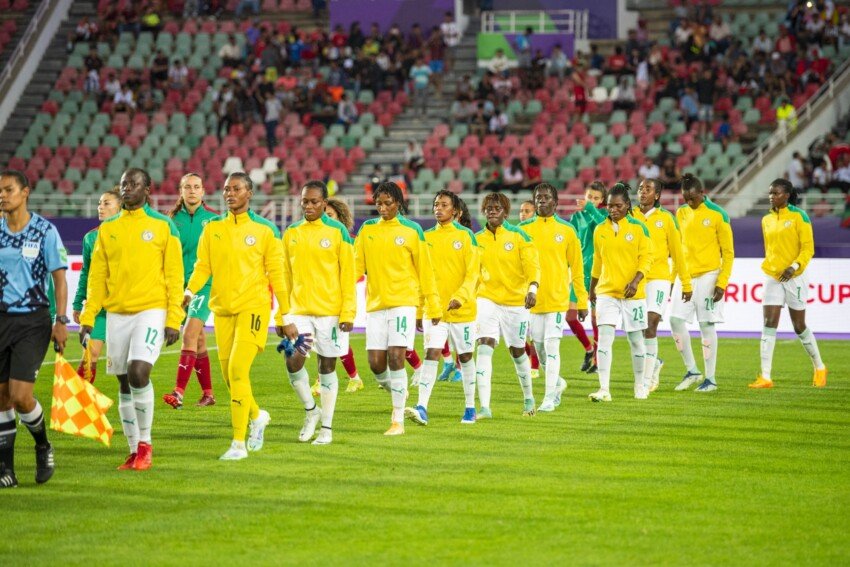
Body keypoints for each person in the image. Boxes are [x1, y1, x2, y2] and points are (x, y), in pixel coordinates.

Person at [79, 168, 184, 471]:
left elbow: (175, 276)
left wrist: (174, 317)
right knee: (124, 381)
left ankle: (146, 444)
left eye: (134, 184)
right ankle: (132, 449)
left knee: (138, 371)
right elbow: (97, 278)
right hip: (117, 314)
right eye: (124, 184)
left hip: (151, 310)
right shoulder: (109, 229)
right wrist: (88, 317)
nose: (127, 189)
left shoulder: (164, 226)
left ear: (148, 189)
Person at [185, 172, 291, 460]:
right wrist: (188, 292)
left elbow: (277, 274)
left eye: (236, 188)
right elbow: (203, 267)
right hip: (222, 311)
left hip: (253, 308)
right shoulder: (212, 229)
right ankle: (257, 415)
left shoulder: (266, 230)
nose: (230, 193)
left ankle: (238, 443)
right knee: (230, 378)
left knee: (238, 370)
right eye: (226, 189)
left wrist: (285, 313)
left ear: (250, 193)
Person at [354, 182, 441, 435]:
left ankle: (397, 421)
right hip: (376, 306)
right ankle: (400, 397)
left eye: (388, 203)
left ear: (399, 203)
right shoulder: (367, 230)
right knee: (375, 364)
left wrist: (432, 306)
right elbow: (354, 267)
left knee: (396, 357)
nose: (382, 208)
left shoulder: (412, 230)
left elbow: (426, 271)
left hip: (403, 303)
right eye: (378, 203)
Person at [0, 170, 68, 488]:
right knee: (1, 397)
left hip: (32, 321)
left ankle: (42, 445)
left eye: (8, 189)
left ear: (25, 192)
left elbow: (59, 277)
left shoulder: (44, 231)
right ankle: (6, 469)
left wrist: (61, 320)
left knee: (20, 395)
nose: (2, 195)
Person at [281, 181, 356, 445]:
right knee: (293, 361)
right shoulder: (291, 232)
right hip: (299, 311)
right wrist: (283, 314)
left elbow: (348, 275)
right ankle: (311, 411)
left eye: (314, 201)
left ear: (325, 203)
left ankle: (327, 428)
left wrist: (348, 312)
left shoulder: (338, 232)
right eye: (305, 201)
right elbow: (284, 277)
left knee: (326, 367)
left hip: (330, 313)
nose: (309, 206)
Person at [405, 191, 480, 426]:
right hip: (435, 310)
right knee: (432, 353)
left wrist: (461, 297)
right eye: (436, 204)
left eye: (444, 205)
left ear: (455, 210)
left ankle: (470, 408)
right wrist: (419, 309)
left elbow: (473, 274)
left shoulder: (467, 236)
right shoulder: (425, 238)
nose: (438, 208)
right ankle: (422, 407)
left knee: (466, 357)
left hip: (463, 310)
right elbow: (421, 277)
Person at [752, 179, 827, 389]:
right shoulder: (766, 219)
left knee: (799, 326)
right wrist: (773, 267)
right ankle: (765, 377)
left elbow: (808, 248)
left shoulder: (799, 216)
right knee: (768, 323)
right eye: (770, 193)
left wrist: (794, 266)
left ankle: (819, 367)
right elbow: (769, 249)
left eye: (775, 193)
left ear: (786, 195)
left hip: (795, 277)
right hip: (773, 276)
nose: (771, 197)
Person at [519, 183, 587, 412]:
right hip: (534, 302)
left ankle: (549, 398)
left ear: (556, 202)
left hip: (558, 299)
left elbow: (577, 270)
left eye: (547, 197)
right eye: (538, 197)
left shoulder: (567, 231)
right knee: (539, 347)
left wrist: (582, 301)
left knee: (552, 345)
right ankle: (557, 383)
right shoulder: (523, 229)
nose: (542, 201)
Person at [475, 193, 540, 418]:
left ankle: (528, 397)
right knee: (484, 345)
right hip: (487, 299)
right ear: (484, 211)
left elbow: (533, 267)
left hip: (516, 302)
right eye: (488, 208)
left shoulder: (519, 235)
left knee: (517, 350)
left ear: (505, 212)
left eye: (497, 208)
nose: (492, 211)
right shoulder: (476, 239)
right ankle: (484, 407)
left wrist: (532, 289)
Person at [670, 174, 734, 393]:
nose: (689, 202)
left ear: (701, 192)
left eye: (692, 198)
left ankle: (711, 378)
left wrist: (722, 282)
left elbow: (728, 252)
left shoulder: (718, 214)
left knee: (706, 325)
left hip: (709, 275)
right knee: (675, 321)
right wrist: (672, 278)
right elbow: (678, 250)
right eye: (685, 198)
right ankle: (692, 370)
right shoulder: (681, 213)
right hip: (685, 276)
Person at [587, 183, 651, 402]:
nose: (613, 210)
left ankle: (640, 384)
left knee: (636, 341)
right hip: (607, 292)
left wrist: (635, 281)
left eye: (618, 206)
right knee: (604, 339)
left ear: (627, 205)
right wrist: (592, 287)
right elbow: (597, 260)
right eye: (610, 206)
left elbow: (646, 258)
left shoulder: (638, 228)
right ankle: (604, 389)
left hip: (634, 294)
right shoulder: (600, 230)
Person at [162, 174, 220, 410]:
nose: (192, 191)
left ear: (203, 191)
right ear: (181, 191)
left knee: (189, 334)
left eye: (197, 187)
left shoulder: (215, 220)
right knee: (199, 340)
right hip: (178, 286)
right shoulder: (170, 220)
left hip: (204, 285)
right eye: (188, 187)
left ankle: (178, 392)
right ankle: (208, 394)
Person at [633, 178, 691, 393]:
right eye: (640, 188)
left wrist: (685, 283)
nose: (642, 192)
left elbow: (678, 254)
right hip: (635, 280)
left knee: (650, 324)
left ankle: (646, 382)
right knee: (638, 330)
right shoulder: (630, 216)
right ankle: (654, 363)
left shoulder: (667, 219)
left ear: (657, 195)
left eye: (647, 189)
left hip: (658, 278)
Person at [72, 188, 122, 383]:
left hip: (124, 307)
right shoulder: (90, 238)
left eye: (106, 203)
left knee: (124, 366)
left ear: (120, 207)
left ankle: (132, 408)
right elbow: (86, 272)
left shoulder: (130, 235)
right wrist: (78, 303)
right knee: (90, 353)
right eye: (99, 203)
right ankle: (78, 404)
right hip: (99, 307)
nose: (100, 207)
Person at [569, 182, 608, 372]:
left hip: (597, 275)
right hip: (579, 274)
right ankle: (589, 348)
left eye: (596, 198)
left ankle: (599, 361)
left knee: (595, 319)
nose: (591, 200)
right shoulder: (576, 216)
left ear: (602, 201)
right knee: (570, 316)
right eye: (589, 197)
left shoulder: (604, 216)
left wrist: (591, 208)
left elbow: (603, 225)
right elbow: (572, 243)